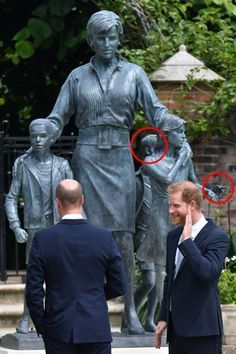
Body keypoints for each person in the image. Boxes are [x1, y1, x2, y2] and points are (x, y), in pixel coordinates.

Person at [45, 10, 190, 334]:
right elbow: (58, 117)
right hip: (89, 156)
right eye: (100, 37)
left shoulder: (134, 74)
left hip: (121, 160)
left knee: (124, 237)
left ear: (119, 38)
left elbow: (156, 111)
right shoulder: (77, 77)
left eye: (112, 37)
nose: (107, 43)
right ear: (90, 40)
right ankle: (86, 305)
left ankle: (129, 313)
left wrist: (176, 127)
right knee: (85, 234)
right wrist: (43, 135)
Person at [25, 179, 126, 354]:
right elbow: (119, 284)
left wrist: (43, 326)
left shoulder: (43, 239)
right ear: (82, 200)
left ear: (57, 202)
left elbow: (33, 292)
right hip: (96, 328)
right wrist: (93, 295)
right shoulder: (104, 237)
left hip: (58, 329)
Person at [137, 116, 218, 308]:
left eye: (184, 132)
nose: (183, 137)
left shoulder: (185, 160)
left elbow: (192, 182)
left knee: (184, 261)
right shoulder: (150, 160)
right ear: (166, 135)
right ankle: (169, 311)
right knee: (162, 266)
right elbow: (168, 179)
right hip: (161, 214)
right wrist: (182, 158)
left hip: (183, 217)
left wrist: (207, 190)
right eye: (179, 132)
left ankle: (181, 308)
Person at [5, 118, 73, 334]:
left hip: (59, 228)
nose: (38, 140)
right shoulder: (22, 165)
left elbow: (75, 198)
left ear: (51, 138)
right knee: (34, 278)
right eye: (34, 136)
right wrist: (15, 226)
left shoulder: (62, 165)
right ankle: (27, 317)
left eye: (42, 135)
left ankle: (55, 319)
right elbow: (11, 198)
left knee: (60, 275)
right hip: (34, 229)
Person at [155, 180, 230, 354]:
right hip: (177, 333)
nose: (170, 211)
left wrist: (188, 242)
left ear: (192, 205)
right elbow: (170, 278)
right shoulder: (173, 236)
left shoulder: (217, 237)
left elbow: (207, 273)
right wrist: (164, 317)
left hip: (203, 331)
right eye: (170, 205)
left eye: (175, 206)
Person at [133, 167, 157, 333]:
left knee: (159, 281)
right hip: (142, 236)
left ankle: (149, 320)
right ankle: (131, 314)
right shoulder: (136, 181)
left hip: (159, 235)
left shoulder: (162, 182)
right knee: (150, 280)